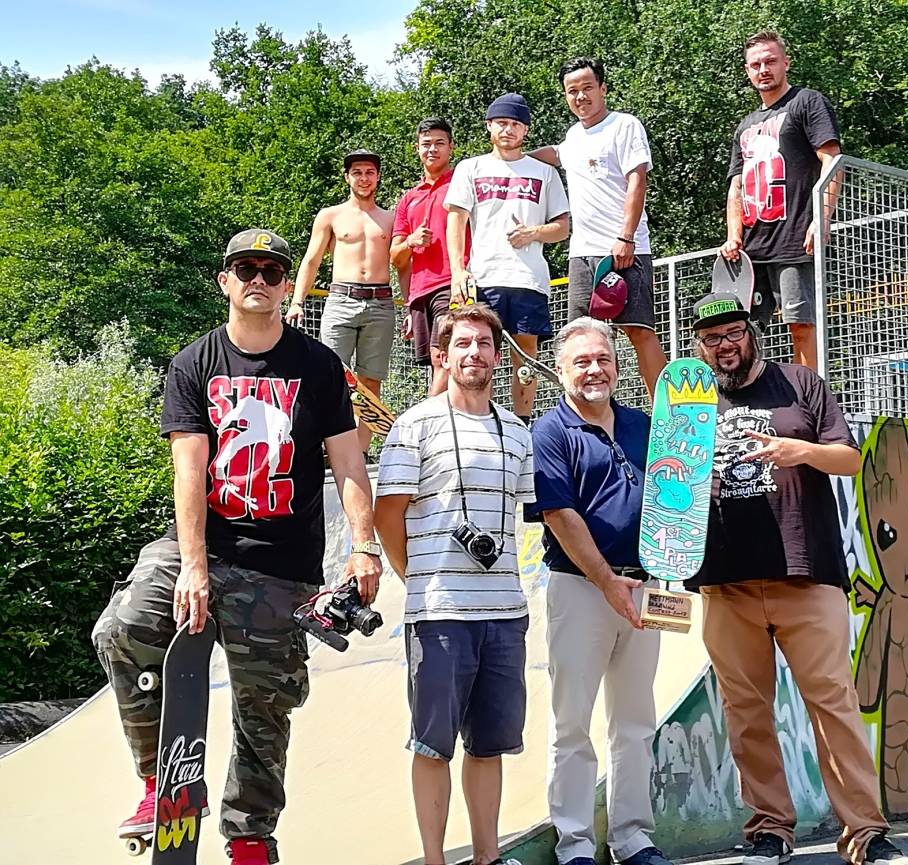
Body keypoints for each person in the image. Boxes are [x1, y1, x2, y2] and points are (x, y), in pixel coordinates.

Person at [93, 229, 383, 865]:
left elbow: (348, 461)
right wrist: (192, 567)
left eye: (272, 271)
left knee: (265, 704)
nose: (259, 279)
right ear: (225, 281)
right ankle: (158, 783)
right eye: (245, 269)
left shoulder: (316, 366)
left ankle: (250, 835)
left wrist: (364, 546)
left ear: (286, 285)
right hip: (203, 544)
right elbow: (189, 469)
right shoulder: (195, 363)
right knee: (123, 629)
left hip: (280, 569)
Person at [686, 292, 908, 865]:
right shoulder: (686, 401)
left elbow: (850, 459)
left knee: (832, 702)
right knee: (746, 710)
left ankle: (865, 832)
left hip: (804, 570)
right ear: (699, 345)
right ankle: (770, 831)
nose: (724, 345)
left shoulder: (801, 384)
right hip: (725, 578)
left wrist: (801, 450)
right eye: (711, 338)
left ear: (751, 331)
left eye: (733, 332)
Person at [373, 304, 535, 865]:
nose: (474, 354)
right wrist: (413, 576)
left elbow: (527, 513)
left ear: (497, 354)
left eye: (485, 345)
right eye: (462, 345)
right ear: (442, 355)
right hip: (439, 612)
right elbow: (386, 514)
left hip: (505, 611)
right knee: (432, 744)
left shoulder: (516, 431)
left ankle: (488, 856)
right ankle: (436, 859)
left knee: (489, 745)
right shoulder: (413, 425)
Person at [525, 317, 673, 865]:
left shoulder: (643, 424)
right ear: (561, 370)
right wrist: (607, 581)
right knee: (572, 724)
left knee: (635, 721)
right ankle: (576, 844)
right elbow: (559, 514)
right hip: (581, 589)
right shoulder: (549, 432)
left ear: (617, 364)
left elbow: (673, 495)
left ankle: (634, 837)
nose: (594, 369)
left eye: (603, 359)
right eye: (581, 361)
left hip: (648, 585)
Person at [529, 58, 667, 402]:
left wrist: (626, 237)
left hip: (625, 248)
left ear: (603, 88)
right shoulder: (573, 137)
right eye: (572, 91)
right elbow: (555, 154)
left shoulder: (625, 125)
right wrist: (510, 154)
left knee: (640, 332)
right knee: (580, 339)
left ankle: (669, 417)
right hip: (582, 255)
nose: (580, 97)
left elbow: (638, 180)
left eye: (587, 88)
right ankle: (585, 418)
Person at [445, 92, 570, 424]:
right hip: (483, 278)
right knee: (476, 348)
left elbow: (563, 227)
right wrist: (458, 270)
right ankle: (473, 419)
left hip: (529, 278)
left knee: (525, 357)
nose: (508, 130)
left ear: (526, 130)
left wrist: (533, 232)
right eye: (501, 123)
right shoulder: (470, 168)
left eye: (516, 124)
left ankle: (522, 423)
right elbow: (455, 219)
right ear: (489, 126)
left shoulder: (543, 172)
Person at [720, 31, 842, 371]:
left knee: (801, 325)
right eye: (756, 64)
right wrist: (733, 236)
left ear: (786, 62)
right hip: (752, 248)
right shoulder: (745, 125)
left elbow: (832, 162)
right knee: (742, 331)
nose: (764, 69)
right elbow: (736, 186)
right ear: (747, 70)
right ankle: (752, 399)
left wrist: (821, 217)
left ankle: (808, 401)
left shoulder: (807, 102)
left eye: (771, 61)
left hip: (794, 239)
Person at [286, 148, 397, 451]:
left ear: (378, 177)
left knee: (371, 380)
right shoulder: (331, 215)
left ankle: (360, 453)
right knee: (328, 374)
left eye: (370, 172)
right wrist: (297, 300)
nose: (364, 178)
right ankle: (324, 447)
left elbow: (404, 263)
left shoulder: (390, 218)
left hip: (381, 302)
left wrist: (412, 307)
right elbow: (312, 260)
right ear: (347, 177)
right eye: (358, 172)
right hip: (341, 299)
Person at [392, 118, 467, 398]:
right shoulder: (408, 198)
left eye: (439, 143)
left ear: (451, 148)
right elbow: (396, 258)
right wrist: (411, 242)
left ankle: (424, 423)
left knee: (444, 357)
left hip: (451, 283)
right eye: (426, 144)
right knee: (434, 361)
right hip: (419, 291)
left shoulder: (462, 183)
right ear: (417, 149)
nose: (432, 149)